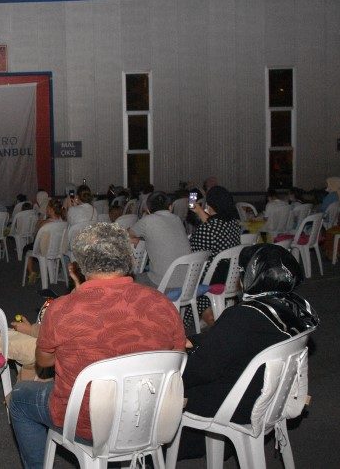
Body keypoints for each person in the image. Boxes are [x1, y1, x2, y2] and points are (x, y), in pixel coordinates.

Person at [9, 223, 186, 468]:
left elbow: (44, 362)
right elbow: (177, 355)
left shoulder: (62, 309)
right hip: (146, 416)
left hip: (87, 422)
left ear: (77, 268)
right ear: (129, 260)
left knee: (19, 398)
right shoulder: (162, 304)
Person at [177, 244, 319, 460]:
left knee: (162, 388)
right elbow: (239, 340)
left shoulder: (242, 316)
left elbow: (201, 371)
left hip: (233, 405)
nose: (239, 279)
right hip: (266, 397)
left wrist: (172, 364)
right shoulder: (296, 309)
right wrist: (196, 341)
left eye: (242, 272)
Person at [189, 186, 241, 326]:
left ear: (209, 205)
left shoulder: (208, 228)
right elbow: (216, 227)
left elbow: (194, 254)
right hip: (230, 277)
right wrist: (200, 212)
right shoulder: (234, 224)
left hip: (210, 280)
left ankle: (207, 315)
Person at [129, 191, 191, 287]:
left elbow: (125, 233)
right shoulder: (177, 219)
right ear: (170, 207)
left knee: (127, 280)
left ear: (148, 209)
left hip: (162, 284)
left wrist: (132, 238)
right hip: (188, 283)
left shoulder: (148, 220)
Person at [24, 198, 65, 284]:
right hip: (58, 248)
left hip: (44, 250)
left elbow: (36, 233)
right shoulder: (63, 222)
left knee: (26, 248)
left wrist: (40, 221)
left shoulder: (45, 223)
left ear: (50, 210)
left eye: (47, 207)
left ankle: (31, 272)